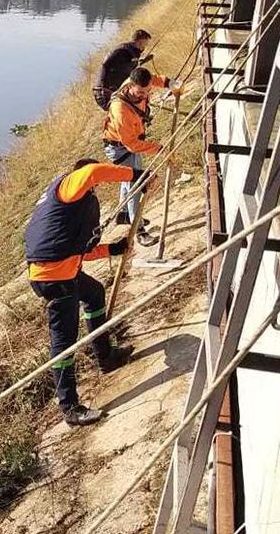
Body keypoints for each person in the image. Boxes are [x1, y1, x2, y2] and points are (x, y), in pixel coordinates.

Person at [24, 159, 157, 426]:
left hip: (62, 271)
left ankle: (105, 356)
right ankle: (70, 408)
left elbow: (77, 249)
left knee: (94, 292)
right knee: (64, 342)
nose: (94, 188)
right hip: (54, 279)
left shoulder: (69, 210)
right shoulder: (67, 186)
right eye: (92, 186)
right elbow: (93, 171)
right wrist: (137, 175)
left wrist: (112, 249)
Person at [103, 67, 181, 245]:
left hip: (130, 143)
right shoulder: (120, 110)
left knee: (128, 179)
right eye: (140, 92)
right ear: (131, 85)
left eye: (147, 91)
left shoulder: (141, 81)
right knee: (135, 185)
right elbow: (131, 145)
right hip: (121, 147)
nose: (144, 95)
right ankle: (138, 231)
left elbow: (154, 79)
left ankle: (124, 215)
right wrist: (159, 149)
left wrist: (170, 83)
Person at [93, 29, 155, 110]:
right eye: (145, 44)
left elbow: (125, 67)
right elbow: (105, 65)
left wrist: (140, 61)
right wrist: (102, 87)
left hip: (112, 91)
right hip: (104, 92)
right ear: (140, 41)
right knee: (121, 112)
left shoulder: (132, 53)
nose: (145, 47)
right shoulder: (122, 50)